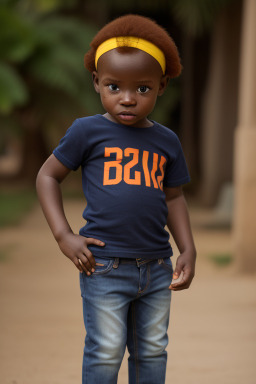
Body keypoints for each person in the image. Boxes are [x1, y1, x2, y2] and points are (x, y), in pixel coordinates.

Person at [36, 14, 196, 384]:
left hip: (157, 268)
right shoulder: (87, 131)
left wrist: (187, 248)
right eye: (114, 86)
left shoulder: (167, 141)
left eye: (142, 89)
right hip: (104, 265)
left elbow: (174, 198)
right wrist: (64, 235)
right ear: (96, 82)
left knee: (152, 349)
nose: (127, 98)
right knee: (106, 349)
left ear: (161, 86)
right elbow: (47, 176)